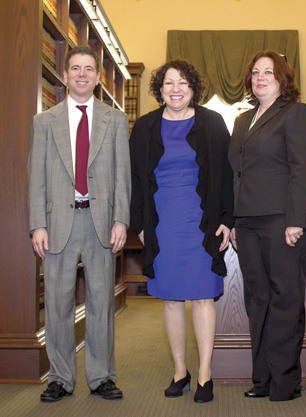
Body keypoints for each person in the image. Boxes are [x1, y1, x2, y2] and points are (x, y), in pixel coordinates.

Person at [27, 46, 130, 402]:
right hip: (57, 224)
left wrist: (121, 219)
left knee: (101, 301)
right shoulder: (45, 122)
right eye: (76, 68)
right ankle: (60, 377)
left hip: (101, 222)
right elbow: (35, 177)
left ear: (98, 77)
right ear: (66, 75)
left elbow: (122, 176)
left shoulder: (114, 121)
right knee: (57, 302)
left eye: (89, 69)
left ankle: (102, 377)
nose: (82, 74)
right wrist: (37, 224)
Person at [129, 60, 233, 403]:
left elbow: (227, 174)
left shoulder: (212, 123)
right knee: (171, 298)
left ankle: (205, 374)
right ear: (159, 89)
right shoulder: (144, 127)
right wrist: (140, 225)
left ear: (194, 89)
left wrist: (227, 219)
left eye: (183, 83)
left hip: (201, 222)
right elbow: (135, 181)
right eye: (169, 83)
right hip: (162, 223)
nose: (176, 89)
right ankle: (180, 371)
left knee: (203, 296)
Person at [229, 50, 306, 401]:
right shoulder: (241, 120)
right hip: (246, 223)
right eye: (255, 72)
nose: (260, 77)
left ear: (282, 78)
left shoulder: (295, 113)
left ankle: (285, 382)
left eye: (268, 71)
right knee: (257, 299)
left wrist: (296, 220)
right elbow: (236, 174)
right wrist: (233, 221)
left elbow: (302, 169)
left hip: (283, 221)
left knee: (286, 299)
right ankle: (261, 379)